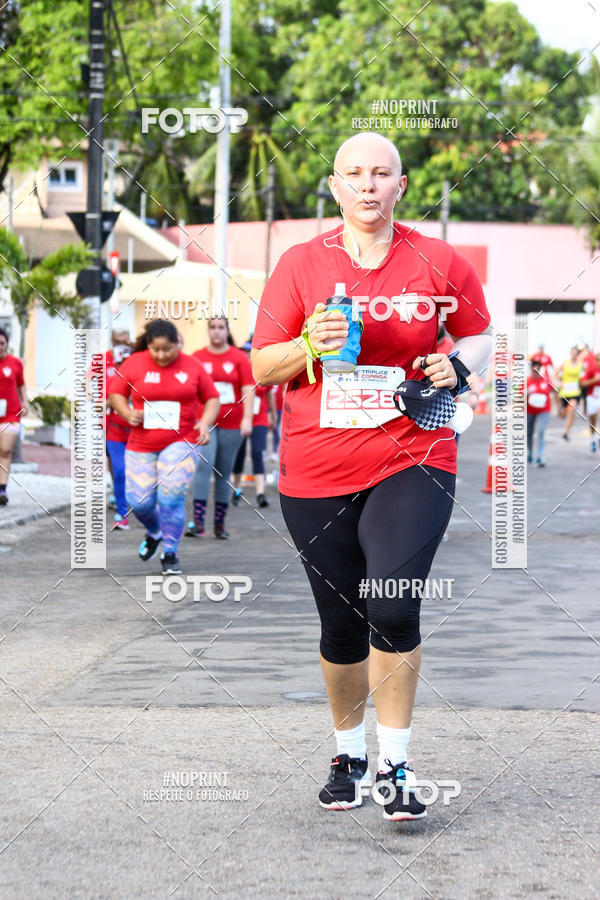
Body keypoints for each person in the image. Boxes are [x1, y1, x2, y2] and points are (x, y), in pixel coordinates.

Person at [251, 133, 492, 821]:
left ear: (400, 186)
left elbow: (479, 332)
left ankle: (396, 763)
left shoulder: (437, 259)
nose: (367, 184)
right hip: (317, 466)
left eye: (381, 173)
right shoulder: (300, 264)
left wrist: (458, 366)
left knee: (390, 604)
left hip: (413, 454)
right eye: (353, 173)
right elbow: (261, 366)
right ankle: (348, 755)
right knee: (342, 624)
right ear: (334, 186)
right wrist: (307, 344)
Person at [108, 319, 220, 574]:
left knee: (171, 496)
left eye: (167, 349)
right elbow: (116, 394)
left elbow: (212, 397)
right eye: (156, 349)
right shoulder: (134, 363)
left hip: (182, 440)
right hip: (141, 442)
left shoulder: (192, 366)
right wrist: (127, 413)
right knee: (139, 502)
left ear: (177, 344)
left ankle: (170, 552)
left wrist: (204, 423)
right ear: (148, 346)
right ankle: (155, 532)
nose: (161, 355)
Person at [186, 317, 254, 539]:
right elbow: (188, 390)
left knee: (224, 470)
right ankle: (198, 522)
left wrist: (247, 419)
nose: (216, 331)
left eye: (221, 327)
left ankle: (219, 524)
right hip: (204, 421)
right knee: (204, 466)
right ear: (208, 330)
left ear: (227, 330)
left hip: (232, 421)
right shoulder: (197, 357)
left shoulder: (239, 357)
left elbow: (248, 389)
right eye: (213, 327)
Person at [231, 341, 277, 508]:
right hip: (241, 418)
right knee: (239, 454)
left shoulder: (261, 372)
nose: (245, 355)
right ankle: (237, 490)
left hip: (259, 418)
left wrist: (273, 415)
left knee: (258, 452)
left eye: (247, 352)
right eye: (242, 351)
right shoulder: (236, 371)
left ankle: (260, 493)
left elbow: (270, 395)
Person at [105, 331, 132, 529]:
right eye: (117, 343)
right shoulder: (110, 375)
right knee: (119, 470)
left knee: (141, 472)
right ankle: (122, 513)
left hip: (138, 432)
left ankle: (150, 509)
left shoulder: (139, 372)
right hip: (114, 430)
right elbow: (90, 386)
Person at [0, 327, 28, 507]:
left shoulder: (15, 363)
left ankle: (2, 489)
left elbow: (21, 385)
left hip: (11, 415)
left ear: (7, 344)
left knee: (5, 450)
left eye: (2, 343)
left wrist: (25, 401)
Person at [526, 358, 553, 466]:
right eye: (534, 370)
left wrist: (561, 407)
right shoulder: (526, 381)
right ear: (531, 369)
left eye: (538, 370)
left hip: (544, 410)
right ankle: (529, 453)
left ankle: (540, 455)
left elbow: (555, 392)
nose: (536, 372)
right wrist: (525, 393)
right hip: (529, 410)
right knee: (529, 432)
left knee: (541, 430)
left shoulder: (546, 381)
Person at [557, 346, 583, 440]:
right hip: (564, 392)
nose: (574, 355)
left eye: (575, 353)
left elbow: (583, 377)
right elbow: (556, 373)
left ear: (577, 355)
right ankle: (562, 411)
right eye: (572, 353)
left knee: (572, 409)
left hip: (575, 392)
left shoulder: (580, 365)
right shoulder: (565, 363)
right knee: (562, 414)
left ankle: (566, 432)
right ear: (570, 354)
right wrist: (559, 382)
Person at [580, 349, 600, 452]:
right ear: (595, 361)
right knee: (593, 420)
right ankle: (592, 439)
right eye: (598, 360)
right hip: (592, 397)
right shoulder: (591, 369)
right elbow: (583, 383)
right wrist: (594, 380)